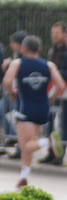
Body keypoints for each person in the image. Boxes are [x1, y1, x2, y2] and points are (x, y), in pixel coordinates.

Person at [3, 35, 65, 189]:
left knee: (25, 146)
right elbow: (61, 85)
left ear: (24, 48)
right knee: (30, 142)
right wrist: (50, 98)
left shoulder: (18, 63)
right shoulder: (48, 65)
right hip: (43, 107)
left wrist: (12, 92)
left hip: (25, 108)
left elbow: (7, 81)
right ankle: (23, 178)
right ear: (39, 49)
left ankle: (49, 141)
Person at [0, 30, 28, 159]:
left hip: (21, 94)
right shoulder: (15, 56)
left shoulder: (25, 58)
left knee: (21, 122)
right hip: (12, 92)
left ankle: (21, 147)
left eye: (13, 42)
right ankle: (13, 137)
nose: (11, 45)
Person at [39, 21, 67, 166]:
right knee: (48, 123)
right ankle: (51, 152)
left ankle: (59, 155)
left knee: (63, 125)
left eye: (57, 33)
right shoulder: (53, 49)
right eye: (53, 33)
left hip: (64, 92)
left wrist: (53, 71)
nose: (54, 36)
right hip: (53, 91)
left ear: (65, 34)